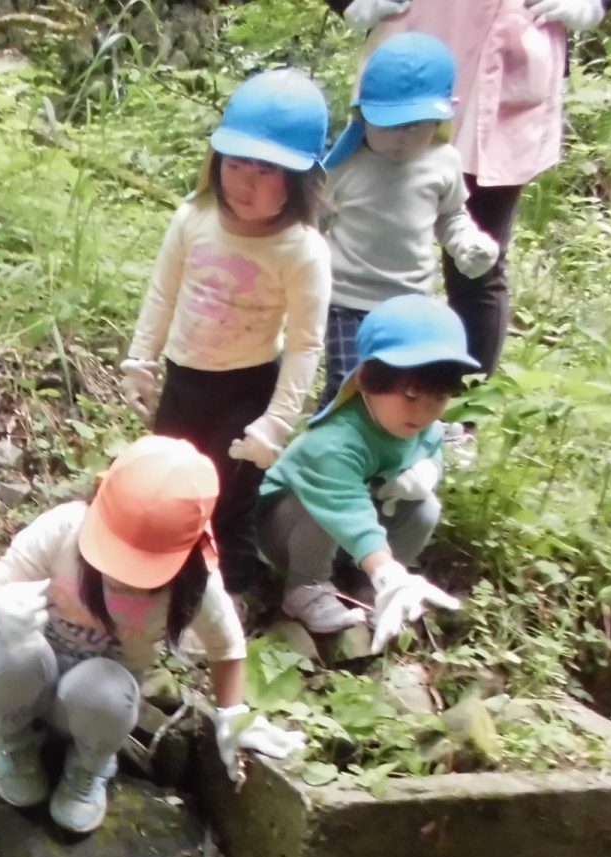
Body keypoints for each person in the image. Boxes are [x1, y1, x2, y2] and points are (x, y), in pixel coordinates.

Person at [0, 436, 305, 835]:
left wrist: (232, 715)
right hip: (30, 683)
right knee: (10, 654)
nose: (121, 577)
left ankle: (88, 767)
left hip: (97, 706)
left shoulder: (194, 585)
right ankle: (14, 745)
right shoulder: (63, 531)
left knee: (103, 690)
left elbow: (227, 646)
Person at [122, 69, 333, 594]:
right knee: (167, 478)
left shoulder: (302, 251)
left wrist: (275, 424)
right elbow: (162, 293)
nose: (244, 182)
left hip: (248, 387)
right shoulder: (194, 217)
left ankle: (228, 596)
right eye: (234, 163)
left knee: (228, 495)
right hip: (184, 378)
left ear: (300, 179)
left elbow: (305, 343)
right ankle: (159, 580)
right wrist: (141, 359)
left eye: (266, 170)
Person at [329, 0, 611, 377]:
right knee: (371, 232)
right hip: (406, 62)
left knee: (477, 264)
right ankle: (361, 389)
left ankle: (464, 401)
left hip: (508, 58)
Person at [257, 294, 477, 648]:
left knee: (425, 508)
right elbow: (346, 510)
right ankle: (306, 586)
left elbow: (432, 445)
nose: (423, 412)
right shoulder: (334, 443)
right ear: (368, 379)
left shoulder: (424, 429)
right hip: (290, 535)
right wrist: (385, 570)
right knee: (319, 510)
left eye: (437, 398)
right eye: (410, 395)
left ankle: (368, 586)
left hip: (357, 541)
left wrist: (428, 471)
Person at [319, 33, 501, 408]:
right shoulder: (345, 164)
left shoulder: (443, 162)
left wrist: (467, 244)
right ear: (362, 116)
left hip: (410, 299)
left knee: (397, 388)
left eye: (416, 126)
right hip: (345, 298)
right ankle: (328, 440)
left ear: (441, 117)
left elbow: (451, 216)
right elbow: (314, 218)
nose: (401, 138)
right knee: (346, 381)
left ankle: (391, 442)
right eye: (388, 125)